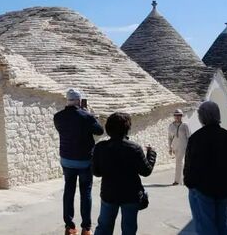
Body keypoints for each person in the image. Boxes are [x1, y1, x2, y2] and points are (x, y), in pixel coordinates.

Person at [92, 112, 156, 235]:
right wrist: (151, 154)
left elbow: (96, 172)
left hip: (109, 193)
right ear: (127, 129)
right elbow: (146, 171)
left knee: (104, 227)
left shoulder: (100, 147)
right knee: (129, 229)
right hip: (131, 195)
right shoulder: (134, 148)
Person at [54, 88, 105, 235]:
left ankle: (69, 226)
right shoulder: (86, 117)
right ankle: (86, 228)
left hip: (67, 159)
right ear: (79, 100)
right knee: (85, 192)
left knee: (68, 191)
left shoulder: (58, 117)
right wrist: (91, 115)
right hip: (84, 161)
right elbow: (99, 131)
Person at [184, 101, 227, 235]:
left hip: (202, 188)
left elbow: (190, 164)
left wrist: (190, 183)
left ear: (201, 117)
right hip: (223, 188)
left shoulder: (196, 137)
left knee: (205, 225)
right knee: (221, 223)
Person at [168, 109, 190, 185]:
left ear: (181, 116)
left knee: (179, 162)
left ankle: (177, 181)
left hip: (184, 146)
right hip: (175, 147)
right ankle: (182, 180)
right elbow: (170, 137)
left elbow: (189, 137)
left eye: (179, 115)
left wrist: (190, 147)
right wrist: (170, 148)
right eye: (176, 115)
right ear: (174, 116)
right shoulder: (171, 126)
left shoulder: (185, 125)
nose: (177, 117)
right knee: (180, 163)